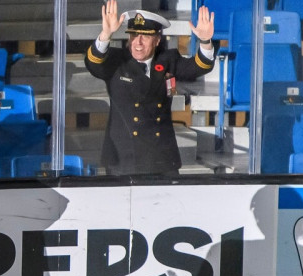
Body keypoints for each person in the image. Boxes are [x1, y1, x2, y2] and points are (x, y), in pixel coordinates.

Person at [84, 1, 215, 175]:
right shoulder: (116, 61)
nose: (137, 43)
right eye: (133, 36)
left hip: (161, 158)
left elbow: (199, 66)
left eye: (145, 37)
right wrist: (106, 34)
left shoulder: (167, 60)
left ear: (157, 40)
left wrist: (205, 41)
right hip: (125, 159)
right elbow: (93, 63)